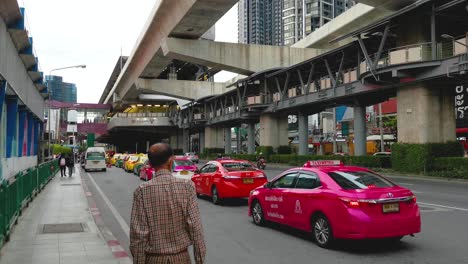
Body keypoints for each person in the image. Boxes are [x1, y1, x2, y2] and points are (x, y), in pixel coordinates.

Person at [130, 143, 206, 264]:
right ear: (171, 160)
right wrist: (200, 260)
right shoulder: (187, 187)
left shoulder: (142, 191)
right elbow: (195, 228)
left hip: (153, 259)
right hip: (181, 258)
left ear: (150, 163)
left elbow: (138, 236)